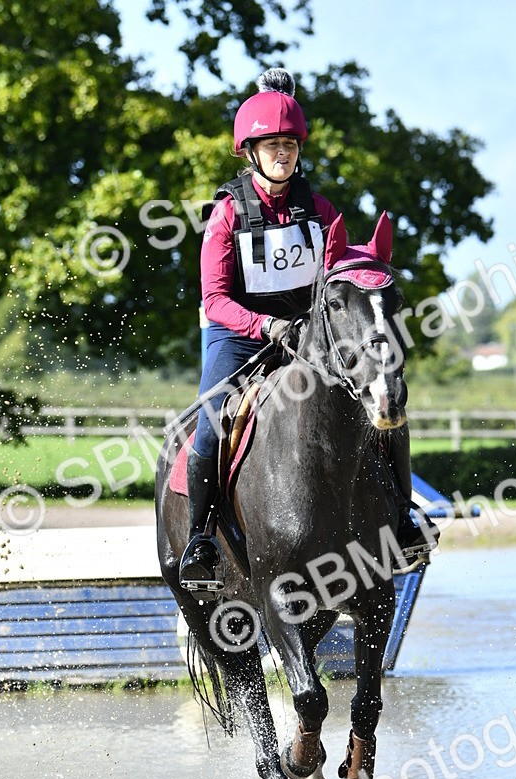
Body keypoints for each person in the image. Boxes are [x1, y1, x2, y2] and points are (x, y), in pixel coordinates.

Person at [180, 68, 436, 591]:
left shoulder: (319, 212)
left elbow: (343, 275)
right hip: (238, 335)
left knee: (384, 405)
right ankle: (201, 540)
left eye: (289, 146)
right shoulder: (226, 215)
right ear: (250, 152)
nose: (282, 155)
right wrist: (268, 325)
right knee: (209, 425)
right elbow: (214, 300)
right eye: (271, 145)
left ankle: (403, 520)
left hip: (308, 337)